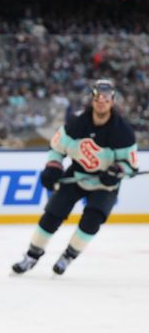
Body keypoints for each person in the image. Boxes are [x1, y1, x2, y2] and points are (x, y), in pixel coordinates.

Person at [11, 79, 138, 276]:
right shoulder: (76, 123)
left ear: (113, 101)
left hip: (104, 185)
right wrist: (53, 166)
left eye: (106, 98)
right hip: (76, 176)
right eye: (97, 97)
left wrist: (116, 171)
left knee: (92, 221)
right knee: (52, 215)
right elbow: (57, 148)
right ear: (92, 100)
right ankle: (31, 255)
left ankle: (68, 256)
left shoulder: (123, 132)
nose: (101, 101)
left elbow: (129, 165)